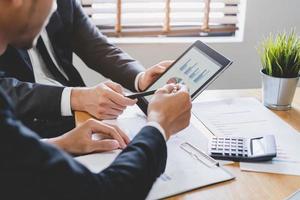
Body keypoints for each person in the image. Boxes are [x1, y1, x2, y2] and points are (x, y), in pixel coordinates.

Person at [0, 0, 192, 199]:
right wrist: (159, 127)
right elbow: (106, 193)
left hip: (63, 132)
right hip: (30, 121)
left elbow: (9, 158)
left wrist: (59, 144)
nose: (56, 6)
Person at [0, 0, 172, 138]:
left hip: (78, 116)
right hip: (19, 124)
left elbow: (96, 46)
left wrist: (140, 78)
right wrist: (76, 97)